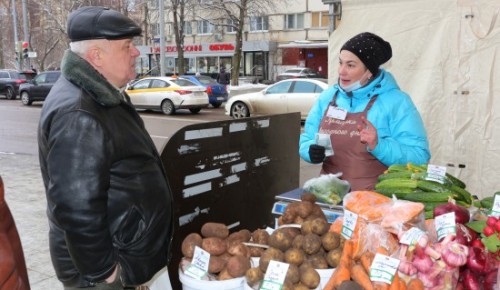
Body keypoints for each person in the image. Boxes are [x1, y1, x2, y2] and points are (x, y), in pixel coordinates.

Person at [38, 6, 174, 290]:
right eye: (127, 46)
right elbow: (76, 208)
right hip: (103, 275)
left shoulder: (98, 94)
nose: (137, 52)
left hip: (121, 258)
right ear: (96, 56)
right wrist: (108, 274)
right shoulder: (79, 113)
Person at [299, 32, 430, 191]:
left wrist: (379, 145)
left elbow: (419, 157)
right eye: (340, 63)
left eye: (351, 65)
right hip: (328, 197)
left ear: (370, 71)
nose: (342, 71)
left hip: (374, 204)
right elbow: (307, 137)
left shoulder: (397, 102)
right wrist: (310, 151)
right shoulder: (328, 97)